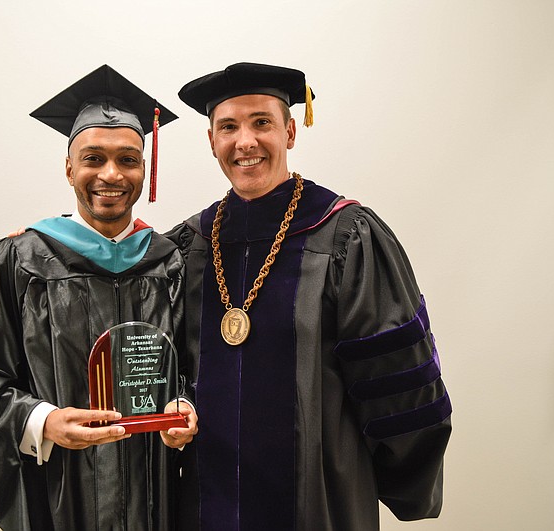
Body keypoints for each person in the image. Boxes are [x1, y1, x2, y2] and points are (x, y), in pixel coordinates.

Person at [165, 62, 452, 531]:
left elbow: (396, 380)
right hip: (203, 498)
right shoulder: (187, 244)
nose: (246, 142)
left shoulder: (346, 236)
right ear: (211, 140)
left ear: (291, 131)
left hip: (317, 500)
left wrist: (393, 475)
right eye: (229, 127)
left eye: (262, 123)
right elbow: (152, 356)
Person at [0, 64, 198, 531]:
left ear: (146, 167)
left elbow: (199, 365)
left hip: (157, 497)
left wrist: (186, 406)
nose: (111, 174)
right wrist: (42, 421)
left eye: (128, 159)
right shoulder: (22, 260)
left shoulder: (171, 263)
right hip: (63, 497)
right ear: (68, 168)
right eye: (93, 158)